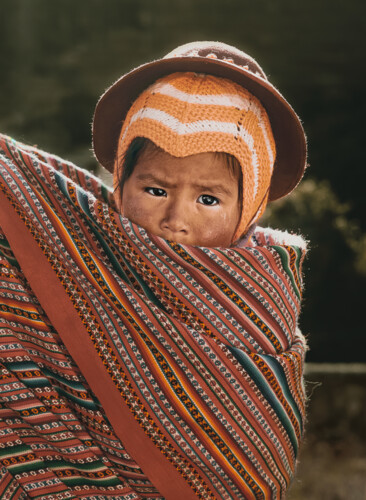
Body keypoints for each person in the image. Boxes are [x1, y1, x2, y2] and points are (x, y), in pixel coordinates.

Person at [0, 41, 307, 499]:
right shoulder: (65, 241)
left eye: (209, 199)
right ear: (121, 183)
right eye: (156, 189)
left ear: (250, 208)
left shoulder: (265, 296)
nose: (176, 220)